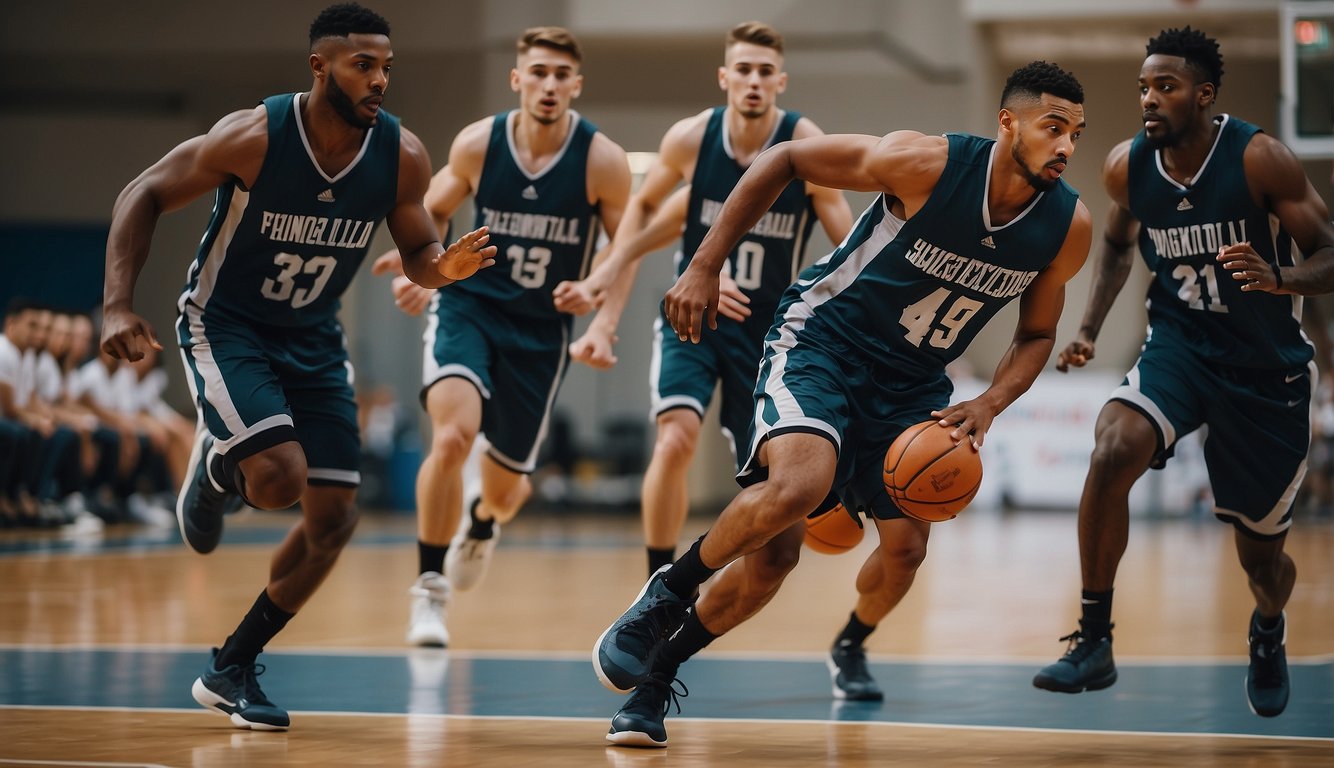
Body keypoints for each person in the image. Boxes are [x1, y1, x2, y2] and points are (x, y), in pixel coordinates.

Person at [593, 60, 1092, 748]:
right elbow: (788, 157)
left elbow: (1037, 333)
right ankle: (664, 612)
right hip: (824, 343)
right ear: (1009, 124)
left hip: (913, 385)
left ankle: (850, 641)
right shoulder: (926, 163)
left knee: (907, 550)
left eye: (1076, 133)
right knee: (793, 508)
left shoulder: (1067, 226)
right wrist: (704, 264)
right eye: (1053, 127)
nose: (1066, 146)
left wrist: (992, 404)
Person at [99, 3, 495, 731]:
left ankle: (232, 666)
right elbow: (144, 192)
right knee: (277, 480)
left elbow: (418, 256)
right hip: (227, 325)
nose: (378, 80)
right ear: (320, 67)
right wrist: (118, 304)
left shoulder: (402, 154)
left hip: (314, 338)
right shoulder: (256, 135)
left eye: (386, 67)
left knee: (334, 520)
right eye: (362, 65)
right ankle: (220, 465)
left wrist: (444, 270)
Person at [553, 22, 893, 699]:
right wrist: (604, 303)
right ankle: (658, 583)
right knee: (675, 437)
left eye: (767, 70)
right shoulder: (691, 141)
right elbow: (642, 225)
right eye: (744, 69)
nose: (755, 81)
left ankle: (678, 588)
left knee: (777, 518)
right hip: (691, 320)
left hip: (770, 342)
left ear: (781, 82)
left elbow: (851, 239)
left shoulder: (801, 143)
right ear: (725, 77)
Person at [1032, 27, 1334, 719]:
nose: (1148, 100)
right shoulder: (1128, 166)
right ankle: (1095, 639)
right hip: (1181, 347)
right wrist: (1086, 329)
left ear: (1203, 94)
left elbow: (1329, 251)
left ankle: (1267, 628)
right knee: (1113, 445)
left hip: (1265, 371)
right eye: (1143, 87)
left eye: (1164, 87)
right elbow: (1114, 246)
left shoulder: (1261, 159)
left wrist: (1282, 277)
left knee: (1264, 565)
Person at [369, 26, 632, 648]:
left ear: (576, 86)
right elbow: (430, 212)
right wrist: (423, 271)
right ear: (518, 79)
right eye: (537, 72)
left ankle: (483, 521)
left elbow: (626, 250)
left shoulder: (602, 161)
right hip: (471, 309)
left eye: (560, 75)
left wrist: (602, 317)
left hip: (541, 333)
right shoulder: (479, 144)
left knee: (508, 493)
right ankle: (428, 591)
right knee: (454, 436)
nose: (548, 85)